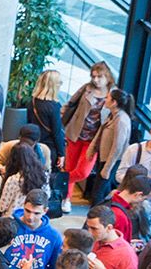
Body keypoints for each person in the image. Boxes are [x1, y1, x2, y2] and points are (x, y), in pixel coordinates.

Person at [61, 63, 114, 208]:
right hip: (76, 133)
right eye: (94, 76)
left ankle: (60, 181)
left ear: (107, 76)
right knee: (69, 166)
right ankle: (66, 198)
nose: (96, 80)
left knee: (83, 172)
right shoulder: (86, 88)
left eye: (100, 76)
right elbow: (71, 103)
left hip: (94, 140)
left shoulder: (112, 94)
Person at [25, 71, 66, 215]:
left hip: (34, 146)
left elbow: (29, 124)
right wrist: (61, 153)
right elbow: (57, 132)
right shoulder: (54, 106)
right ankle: (42, 210)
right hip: (50, 148)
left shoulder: (32, 102)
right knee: (47, 181)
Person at [0, 189, 62, 269]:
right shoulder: (8, 228)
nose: (30, 217)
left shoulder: (54, 237)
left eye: (36, 213)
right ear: (23, 206)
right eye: (28, 211)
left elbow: (55, 266)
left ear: (45, 211)